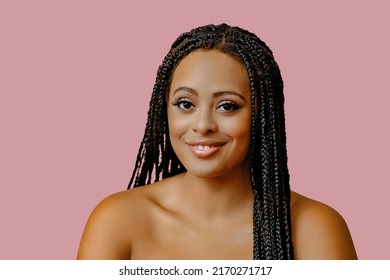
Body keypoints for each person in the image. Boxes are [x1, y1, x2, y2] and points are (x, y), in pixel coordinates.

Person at [77, 24, 357, 260]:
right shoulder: (116, 220)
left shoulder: (313, 227)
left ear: (262, 115)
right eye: (185, 103)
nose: (202, 125)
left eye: (227, 106)